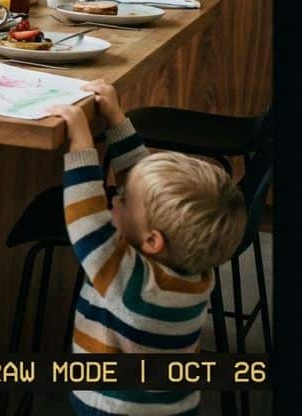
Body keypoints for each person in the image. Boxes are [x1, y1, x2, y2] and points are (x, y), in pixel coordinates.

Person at [47, 81, 247, 415]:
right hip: (177, 407)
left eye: (121, 202)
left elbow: (88, 226)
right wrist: (115, 119)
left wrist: (80, 143)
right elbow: (142, 187)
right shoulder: (192, 270)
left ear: (153, 241)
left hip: (111, 407)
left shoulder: (136, 286)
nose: (114, 197)